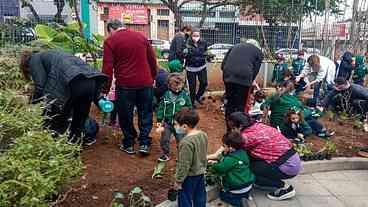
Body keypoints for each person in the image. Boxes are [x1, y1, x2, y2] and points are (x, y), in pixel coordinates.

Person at [19, 49, 107, 145]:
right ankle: (74, 147)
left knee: (57, 121)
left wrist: (31, 102)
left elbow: (40, 85)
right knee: (78, 122)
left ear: (25, 65)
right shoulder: (54, 54)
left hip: (72, 84)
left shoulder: (34, 59)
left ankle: (56, 147)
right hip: (91, 82)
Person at [208, 112, 301, 201]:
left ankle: (284, 187)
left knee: (248, 169)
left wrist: (215, 158)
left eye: (233, 128)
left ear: (240, 126)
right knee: (249, 159)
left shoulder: (247, 137)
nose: (232, 130)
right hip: (292, 159)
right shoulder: (257, 125)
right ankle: (269, 178)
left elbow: (231, 148)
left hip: (287, 165)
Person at [102, 19, 157, 155]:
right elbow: (152, 60)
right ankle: (144, 143)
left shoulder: (110, 41)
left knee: (125, 114)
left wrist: (105, 89)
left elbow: (107, 68)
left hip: (125, 85)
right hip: (145, 83)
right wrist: (152, 77)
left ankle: (129, 144)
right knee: (145, 112)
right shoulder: (141, 37)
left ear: (111, 29)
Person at [263, 80, 334, 138]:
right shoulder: (294, 100)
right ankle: (321, 131)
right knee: (310, 119)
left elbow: (263, 106)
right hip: (286, 128)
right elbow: (303, 112)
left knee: (303, 118)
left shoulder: (275, 96)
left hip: (275, 126)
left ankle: (320, 131)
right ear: (293, 89)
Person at [209, 132, 255, 207]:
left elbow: (220, 168)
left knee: (223, 195)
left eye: (224, 146)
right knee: (243, 191)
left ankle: (239, 203)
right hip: (249, 184)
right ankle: (246, 196)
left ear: (230, 147)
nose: (223, 147)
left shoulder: (230, 159)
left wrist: (213, 165)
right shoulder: (243, 153)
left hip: (237, 188)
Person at [221, 39, 264, 120]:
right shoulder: (258, 52)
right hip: (244, 77)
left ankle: (229, 126)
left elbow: (223, 65)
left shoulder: (235, 46)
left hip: (228, 75)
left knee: (230, 101)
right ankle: (239, 125)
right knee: (241, 104)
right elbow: (255, 70)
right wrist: (250, 81)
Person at [175, 108, 208, 207]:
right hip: (201, 172)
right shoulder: (203, 135)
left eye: (176, 124)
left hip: (189, 176)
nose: (175, 127)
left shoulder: (186, 143)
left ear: (184, 126)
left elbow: (184, 165)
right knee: (200, 196)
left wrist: (178, 181)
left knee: (185, 197)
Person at [156, 73, 192, 162]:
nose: (177, 88)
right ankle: (166, 153)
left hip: (180, 124)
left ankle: (181, 156)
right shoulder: (166, 95)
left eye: (179, 85)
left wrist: (187, 119)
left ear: (183, 85)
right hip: (167, 123)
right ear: (169, 85)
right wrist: (159, 119)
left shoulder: (185, 95)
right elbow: (161, 107)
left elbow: (190, 108)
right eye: (174, 86)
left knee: (181, 140)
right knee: (164, 140)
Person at [185, 28, 209, 106]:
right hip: (191, 68)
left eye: (197, 35)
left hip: (201, 66)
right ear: (191, 35)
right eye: (194, 35)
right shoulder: (187, 43)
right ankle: (192, 103)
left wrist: (208, 56)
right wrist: (185, 53)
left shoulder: (203, 42)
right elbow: (183, 54)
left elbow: (205, 51)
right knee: (192, 87)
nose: (196, 37)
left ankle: (197, 97)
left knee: (204, 83)